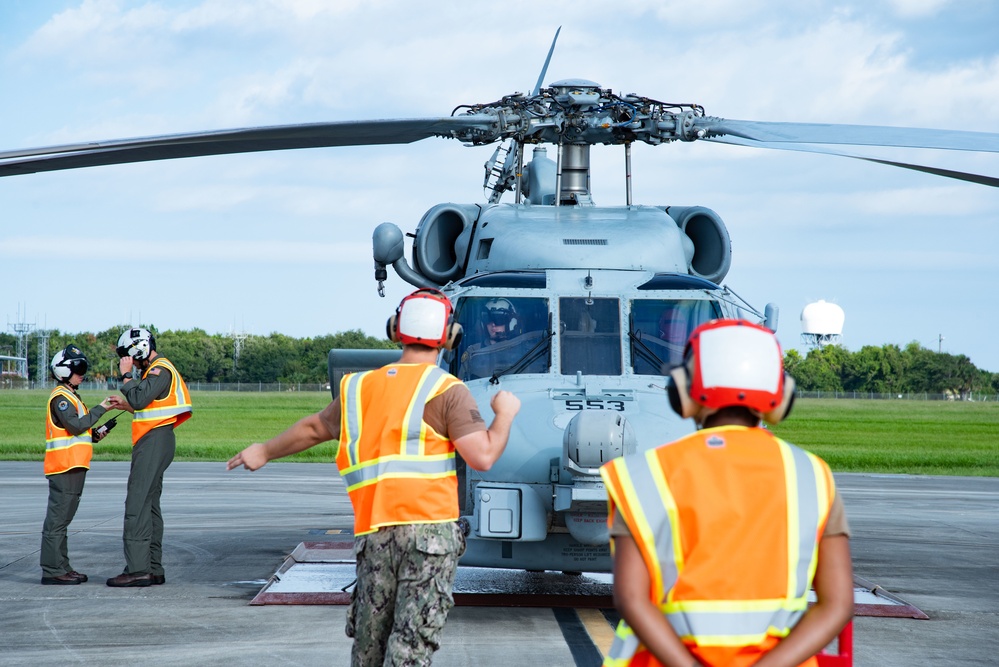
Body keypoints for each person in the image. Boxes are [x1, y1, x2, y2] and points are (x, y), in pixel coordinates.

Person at [228, 288, 521, 666]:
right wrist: (506, 414)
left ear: (396, 329)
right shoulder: (448, 390)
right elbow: (482, 456)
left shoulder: (359, 388)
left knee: (368, 648)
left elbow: (315, 427)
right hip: (429, 536)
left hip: (376, 534)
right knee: (410, 648)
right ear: (449, 336)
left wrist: (265, 450)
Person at [600, 319, 853, 667]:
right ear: (780, 394)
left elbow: (631, 599)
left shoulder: (644, 474)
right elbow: (837, 605)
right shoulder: (812, 475)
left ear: (684, 390)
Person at [105, 327, 192, 587]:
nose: (127, 360)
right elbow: (147, 405)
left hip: (154, 441)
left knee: (137, 504)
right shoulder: (156, 370)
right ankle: (153, 568)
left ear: (139, 348)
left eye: (128, 355)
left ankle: (137, 569)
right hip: (157, 438)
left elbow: (141, 398)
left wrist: (126, 376)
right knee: (150, 505)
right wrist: (126, 405)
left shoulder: (159, 369)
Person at [41, 345, 116, 585]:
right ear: (63, 372)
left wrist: (97, 433)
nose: (82, 373)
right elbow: (75, 426)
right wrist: (101, 408)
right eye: (78, 368)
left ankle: (62, 566)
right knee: (57, 520)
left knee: (64, 520)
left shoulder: (73, 396)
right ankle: (52, 569)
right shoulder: (61, 398)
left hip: (74, 467)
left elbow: (79, 431)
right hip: (63, 467)